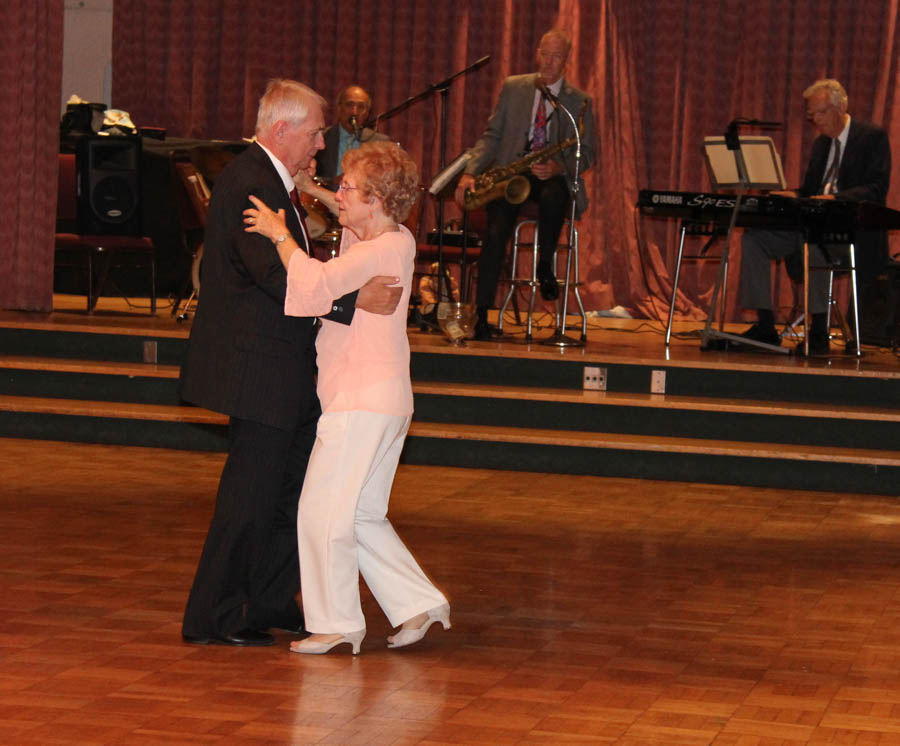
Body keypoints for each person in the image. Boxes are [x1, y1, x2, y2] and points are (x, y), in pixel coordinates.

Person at [179, 79, 402, 647]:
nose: (321, 144)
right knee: (249, 499)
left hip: (283, 368)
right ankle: (217, 615)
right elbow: (276, 278)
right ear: (282, 130)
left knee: (289, 495)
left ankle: (271, 599)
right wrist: (354, 301)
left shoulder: (274, 179)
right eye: (315, 132)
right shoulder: (253, 183)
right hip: (257, 370)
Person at [243, 140, 450, 655]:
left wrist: (279, 234)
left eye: (348, 188)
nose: (338, 195)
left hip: (360, 399)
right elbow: (347, 217)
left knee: (320, 512)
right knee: (360, 514)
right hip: (386, 400)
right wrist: (309, 187)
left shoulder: (373, 251)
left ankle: (336, 623)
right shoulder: (396, 237)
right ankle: (419, 603)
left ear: (376, 198)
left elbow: (313, 280)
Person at [454, 29, 596, 340]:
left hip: (551, 177)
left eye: (556, 56)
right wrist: (470, 172)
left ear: (566, 61)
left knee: (555, 194)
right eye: (545, 53)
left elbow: (587, 153)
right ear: (537, 53)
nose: (548, 61)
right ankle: (481, 316)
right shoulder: (514, 87)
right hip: (511, 175)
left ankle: (545, 264)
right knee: (495, 230)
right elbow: (492, 136)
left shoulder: (579, 101)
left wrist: (560, 165)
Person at [736, 79, 891, 355]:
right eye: (811, 115)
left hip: (852, 232)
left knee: (814, 244)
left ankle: (818, 331)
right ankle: (765, 324)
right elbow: (810, 191)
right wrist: (791, 195)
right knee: (754, 240)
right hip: (813, 225)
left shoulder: (871, 137)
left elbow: (876, 188)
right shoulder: (821, 145)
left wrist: (835, 199)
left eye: (819, 112)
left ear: (840, 106)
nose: (815, 120)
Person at [314, 84, 390, 187]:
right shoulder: (321, 137)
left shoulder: (380, 143)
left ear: (367, 112)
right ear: (339, 108)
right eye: (349, 105)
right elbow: (310, 176)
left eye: (361, 107)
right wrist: (332, 181)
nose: (354, 112)